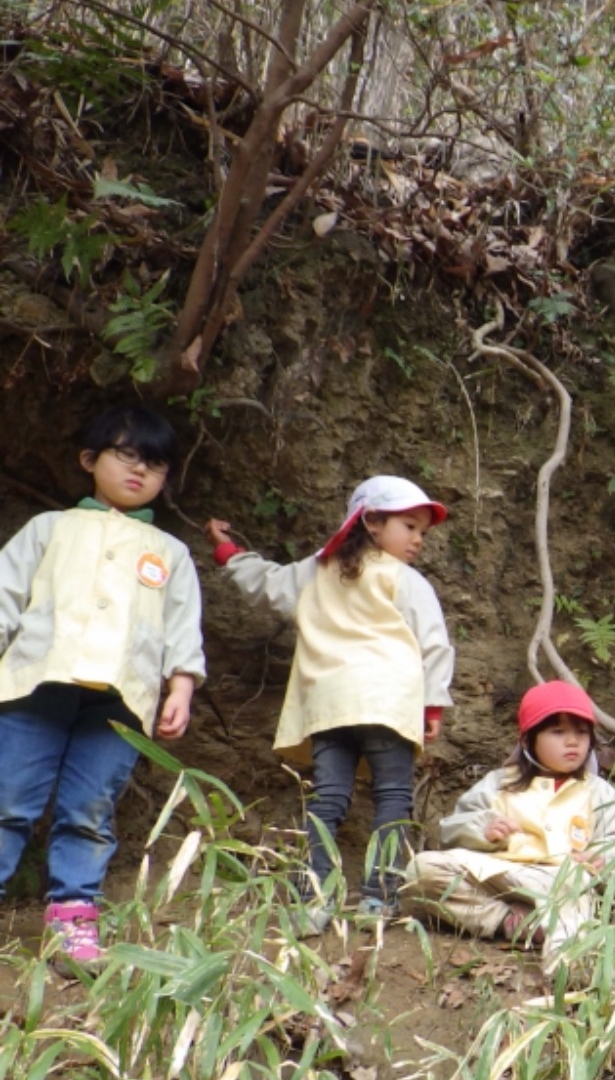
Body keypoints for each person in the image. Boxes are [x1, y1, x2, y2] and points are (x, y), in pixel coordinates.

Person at [0, 407, 207, 968]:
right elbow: (5, 598)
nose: (139, 471)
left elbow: (181, 628)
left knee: (90, 808)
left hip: (122, 699)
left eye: (155, 464)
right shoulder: (49, 528)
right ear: (90, 460)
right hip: (35, 683)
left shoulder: (170, 553)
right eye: (126, 455)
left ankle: (72, 919)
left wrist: (180, 687)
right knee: (8, 799)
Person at [206, 476, 454, 929]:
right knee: (393, 795)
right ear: (373, 522)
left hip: (329, 705)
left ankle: (312, 898)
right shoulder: (404, 580)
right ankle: (379, 899)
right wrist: (431, 705)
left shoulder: (316, 571)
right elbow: (433, 644)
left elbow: (268, 583)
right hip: (387, 702)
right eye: (410, 526)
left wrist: (228, 554)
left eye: (422, 531)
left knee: (328, 798)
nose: (419, 539)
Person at [402, 680, 615, 966]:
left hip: (562, 880)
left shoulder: (598, 791)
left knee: (574, 894)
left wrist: (601, 858)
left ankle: (568, 966)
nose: (572, 741)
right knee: (421, 869)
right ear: (528, 740)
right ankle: (507, 920)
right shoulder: (500, 783)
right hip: (500, 872)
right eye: (558, 731)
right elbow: (451, 832)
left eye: (581, 732)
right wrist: (483, 830)